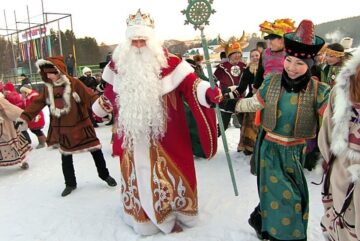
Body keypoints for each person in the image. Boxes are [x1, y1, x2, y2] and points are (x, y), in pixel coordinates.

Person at [93, 9, 221, 235]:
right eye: (135, 40)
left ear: (152, 40)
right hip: (132, 137)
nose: (139, 44)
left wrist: (208, 93)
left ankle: (174, 213)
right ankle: (140, 215)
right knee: (136, 176)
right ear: (128, 40)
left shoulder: (172, 63)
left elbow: (192, 85)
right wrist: (101, 107)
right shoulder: (118, 65)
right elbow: (112, 92)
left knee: (170, 175)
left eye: (143, 39)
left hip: (167, 136)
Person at [235, 20, 330, 241]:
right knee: (287, 200)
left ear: (310, 64)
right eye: (288, 60)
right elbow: (254, 103)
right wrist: (232, 104)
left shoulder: (319, 90)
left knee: (291, 197)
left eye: (299, 63)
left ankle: (261, 220)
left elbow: (334, 116)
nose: (291, 67)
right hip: (270, 150)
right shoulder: (272, 82)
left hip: (296, 152)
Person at [17, 56, 117, 197]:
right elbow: (37, 104)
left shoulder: (74, 83)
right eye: (46, 73)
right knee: (66, 157)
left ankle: (104, 175)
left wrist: (101, 106)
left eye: (51, 72)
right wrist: (24, 118)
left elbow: (89, 96)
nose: (49, 76)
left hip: (82, 125)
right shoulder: (48, 89)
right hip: (63, 129)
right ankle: (70, 183)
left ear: (59, 71)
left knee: (95, 151)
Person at [318, 47, 360, 241]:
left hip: (344, 166)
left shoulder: (342, 85)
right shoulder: (342, 87)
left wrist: (329, 160)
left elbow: (326, 135)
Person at [223, 49, 261, 157]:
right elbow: (241, 88)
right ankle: (250, 148)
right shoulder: (248, 70)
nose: (255, 58)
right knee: (250, 124)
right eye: (252, 56)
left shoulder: (267, 68)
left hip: (267, 98)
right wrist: (228, 96)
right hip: (252, 99)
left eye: (257, 55)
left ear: (261, 56)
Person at [214, 33, 248, 134]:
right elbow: (212, 82)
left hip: (241, 99)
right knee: (222, 127)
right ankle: (207, 144)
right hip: (226, 100)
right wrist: (218, 93)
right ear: (229, 55)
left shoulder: (245, 66)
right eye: (234, 53)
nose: (237, 55)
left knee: (245, 125)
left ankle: (245, 146)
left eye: (239, 53)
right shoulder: (221, 67)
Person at [0, 92, 31, 169]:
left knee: (13, 143)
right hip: (4, 125)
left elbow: (11, 109)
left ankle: (23, 161)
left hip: (5, 125)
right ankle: (23, 161)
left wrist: (26, 115)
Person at [19, 84, 47, 149]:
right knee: (35, 130)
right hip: (32, 116)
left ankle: (42, 142)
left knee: (36, 130)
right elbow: (25, 106)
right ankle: (44, 139)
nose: (21, 94)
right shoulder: (27, 97)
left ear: (26, 92)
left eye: (22, 92)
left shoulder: (33, 96)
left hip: (36, 116)